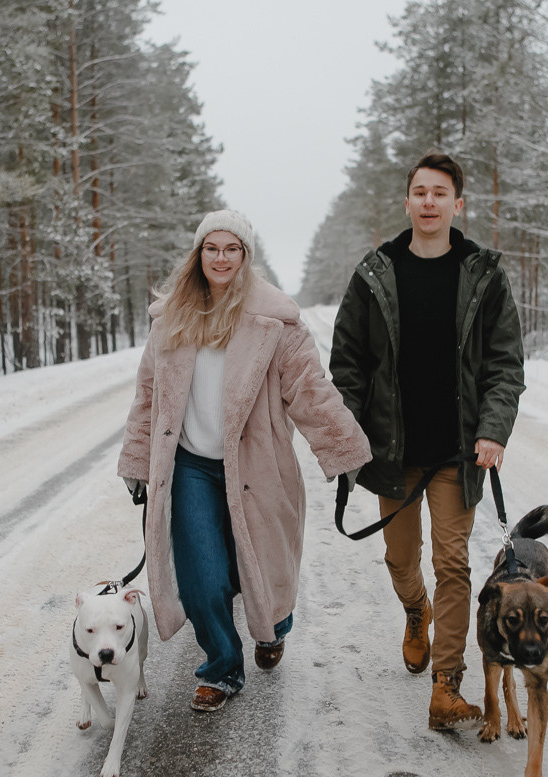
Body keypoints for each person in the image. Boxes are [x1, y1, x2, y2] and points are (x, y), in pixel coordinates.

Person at [118, 210, 371, 713]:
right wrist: (138, 461)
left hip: (255, 464)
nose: (221, 258)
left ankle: (272, 628)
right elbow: (149, 396)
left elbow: (309, 390)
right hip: (190, 465)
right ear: (198, 254)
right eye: (212, 248)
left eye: (231, 249)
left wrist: (343, 450)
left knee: (263, 564)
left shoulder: (275, 324)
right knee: (201, 574)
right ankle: (221, 668)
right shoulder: (172, 319)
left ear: (245, 256)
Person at [329, 151, 525, 730]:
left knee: (455, 566)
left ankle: (446, 688)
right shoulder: (376, 273)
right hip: (392, 452)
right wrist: (347, 435)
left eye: (441, 193)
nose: (430, 201)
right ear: (408, 202)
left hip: (455, 454)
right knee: (401, 558)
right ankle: (416, 611)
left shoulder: (483, 273)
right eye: (420, 192)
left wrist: (492, 429)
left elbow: (504, 363)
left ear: (457, 204)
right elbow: (348, 365)